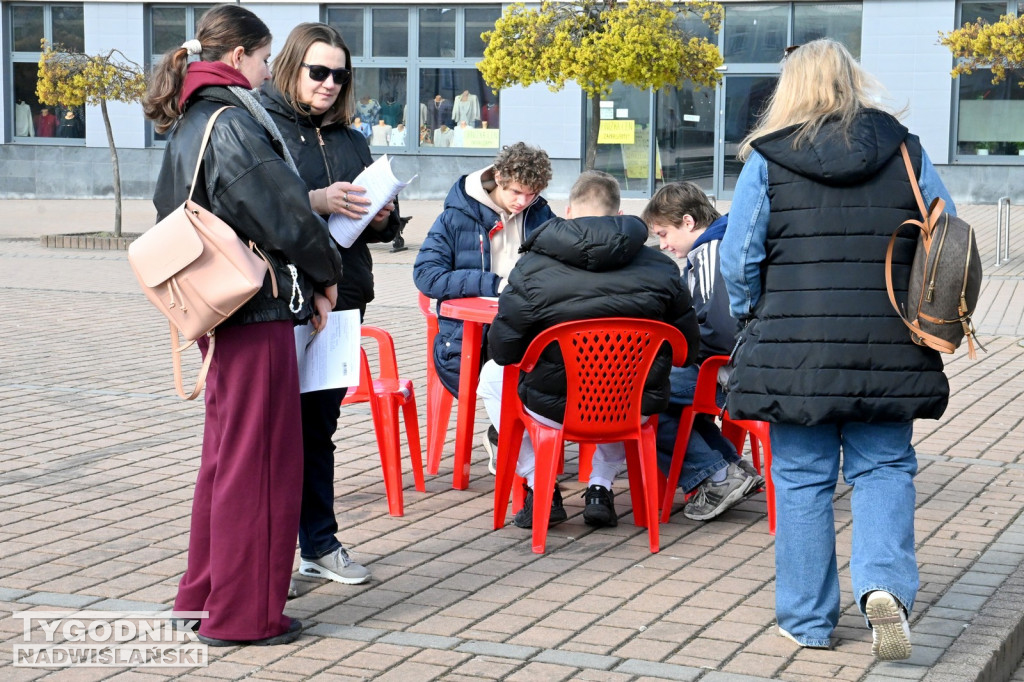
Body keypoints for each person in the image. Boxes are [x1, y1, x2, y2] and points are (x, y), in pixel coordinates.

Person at [720, 39, 954, 660]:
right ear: (853, 79)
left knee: (802, 478)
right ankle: (884, 588)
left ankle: (807, 620)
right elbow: (946, 233)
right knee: (885, 468)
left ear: (789, 87)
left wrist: (755, 316)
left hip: (795, 349)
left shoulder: (768, 158)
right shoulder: (905, 149)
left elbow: (738, 261)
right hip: (890, 344)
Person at [143, 4, 343, 647]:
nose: (265, 70)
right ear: (237, 58)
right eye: (262, 58)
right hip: (256, 312)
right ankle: (243, 615)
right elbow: (286, 216)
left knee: (226, 461)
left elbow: (167, 208)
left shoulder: (193, 119)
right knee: (260, 467)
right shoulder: (232, 121)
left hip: (221, 309)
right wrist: (326, 273)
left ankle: (203, 597)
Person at [262, 22, 401, 593]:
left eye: (339, 75)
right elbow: (254, 206)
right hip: (281, 299)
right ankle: (267, 558)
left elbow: (367, 224)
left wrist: (384, 219)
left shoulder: (351, 138)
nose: (328, 83)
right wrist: (316, 200)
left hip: (343, 299)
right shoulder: (262, 127)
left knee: (319, 426)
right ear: (290, 66)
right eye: (318, 71)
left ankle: (318, 544)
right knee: (274, 431)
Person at [479, 171, 699, 528]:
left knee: (492, 375)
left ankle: (539, 483)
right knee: (624, 379)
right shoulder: (661, 267)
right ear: (618, 214)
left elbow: (504, 351)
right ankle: (600, 486)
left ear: (568, 213)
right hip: (634, 408)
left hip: (555, 409)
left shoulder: (531, 268)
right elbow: (686, 350)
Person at [641, 181, 762, 522]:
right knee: (669, 400)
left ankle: (717, 476)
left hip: (731, 373)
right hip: (748, 366)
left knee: (640, 394)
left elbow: (722, 330)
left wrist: (676, 347)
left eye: (664, 234)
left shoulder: (711, 251)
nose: (663, 245)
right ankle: (731, 467)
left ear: (688, 222)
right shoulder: (726, 241)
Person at [413, 142, 555, 402]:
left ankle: (515, 421)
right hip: (469, 336)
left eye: (532, 194)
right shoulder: (456, 217)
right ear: (498, 177)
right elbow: (426, 275)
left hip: (526, 326)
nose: (522, 202)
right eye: (516, 192)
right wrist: (494, 284)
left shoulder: (540, 214)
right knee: (517, 375)